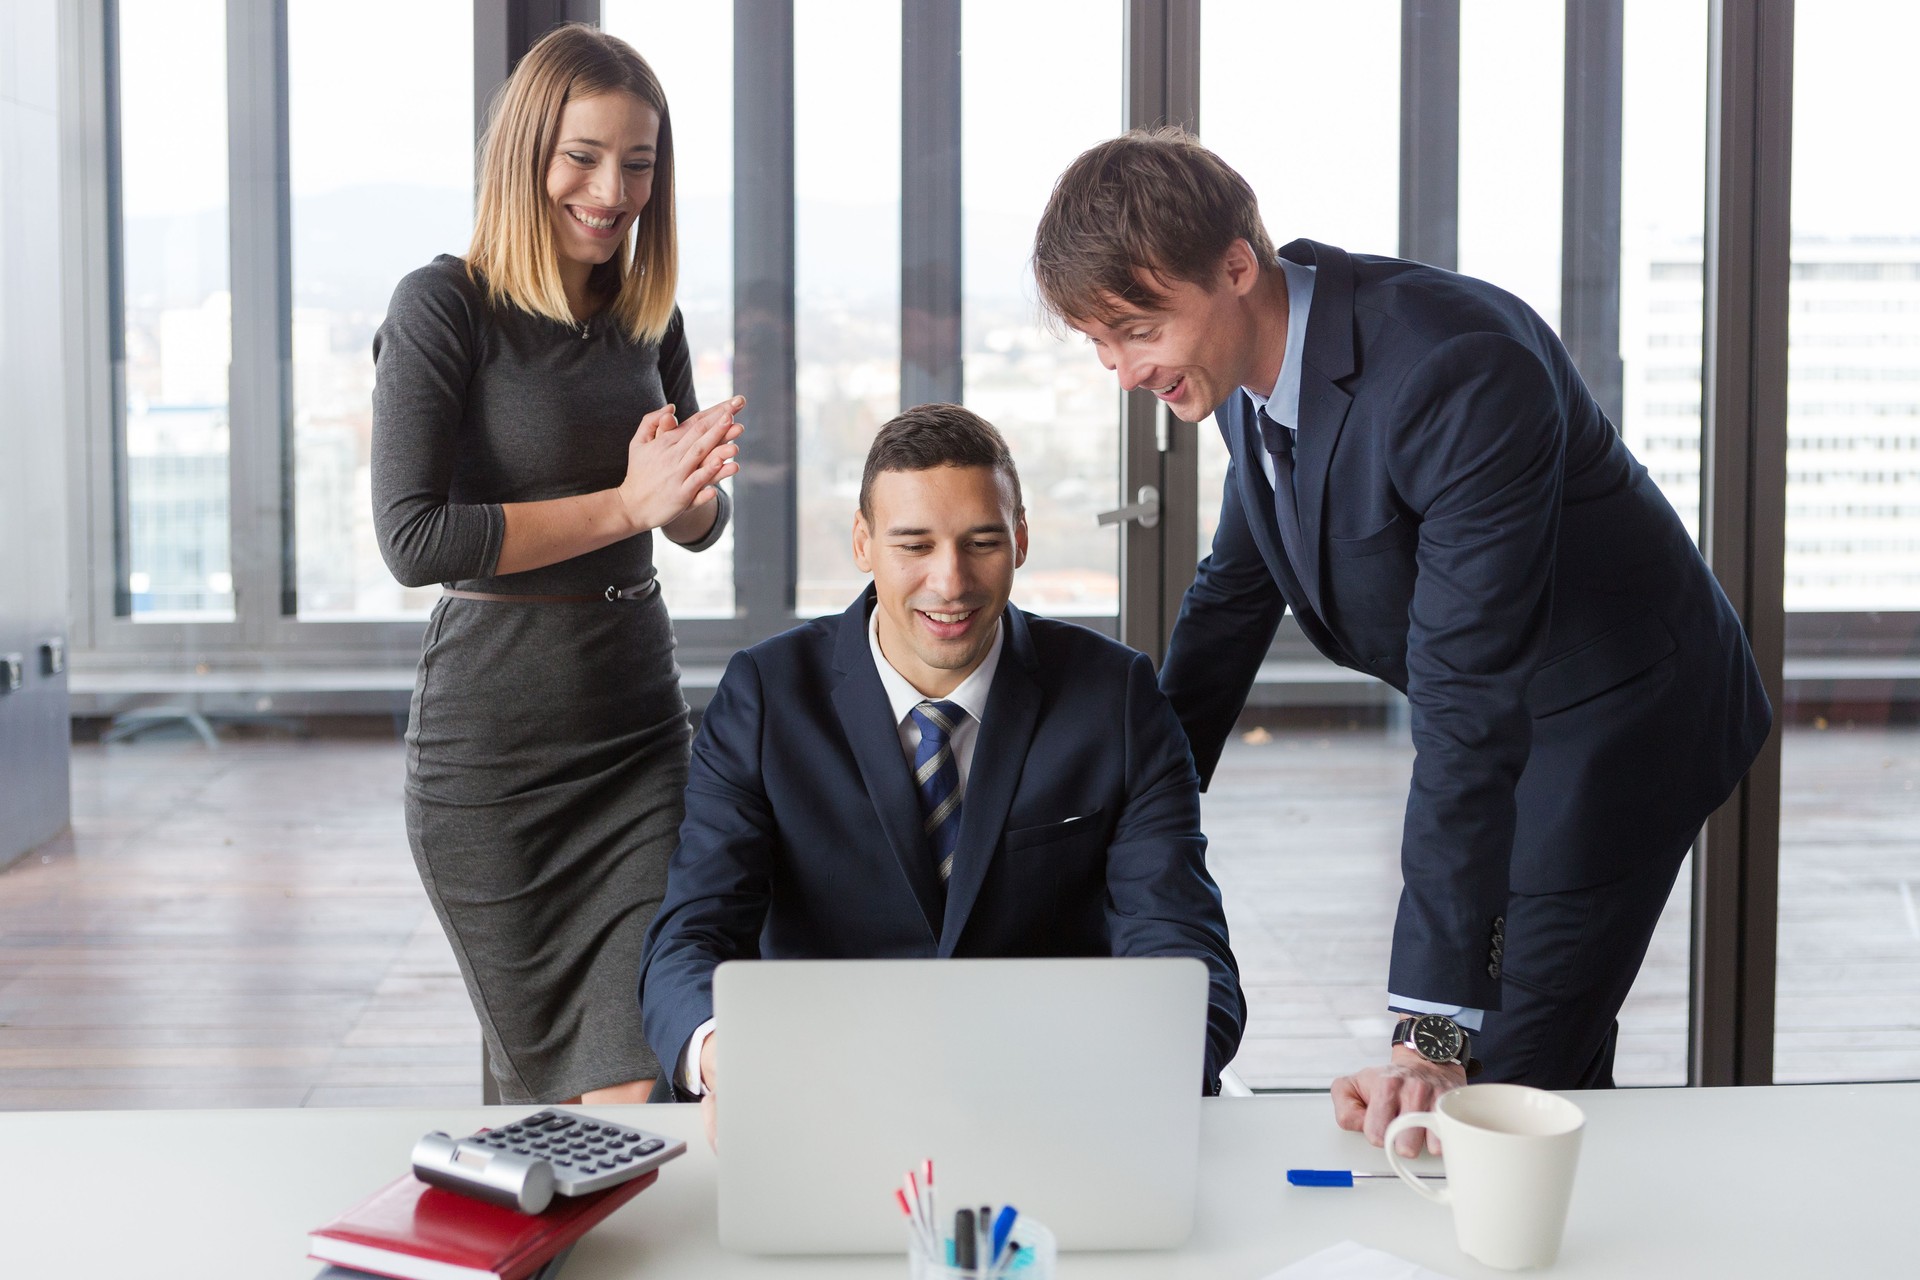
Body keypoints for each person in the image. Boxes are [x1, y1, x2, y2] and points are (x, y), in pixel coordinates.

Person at [1031, 129, 1770, 1153]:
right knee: (1539, 1065)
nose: (1122, 370)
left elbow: (1465, 705)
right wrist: (1120, 823)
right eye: (1099, 342)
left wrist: (1426, 1028)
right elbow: (1228, 606)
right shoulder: (1257, 372)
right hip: (1508, 711)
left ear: (1237, 267)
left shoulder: (1457, 372)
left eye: (1137, 329)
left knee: (1488, 1090)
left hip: (1618, 717)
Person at [639, 403, 1246, 1138]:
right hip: (822, 1105)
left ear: (1020, 539)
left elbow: (1184, 950)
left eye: (981, 541)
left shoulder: (1116, 698)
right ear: (862, 544)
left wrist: (1138, 1076)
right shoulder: (766, 696)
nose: (950, 581)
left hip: (1059, 1111)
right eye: (914, 545)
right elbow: (690, 935)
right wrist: (727, 1056)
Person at [371, 24, 742, 1105]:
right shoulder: (444, 305)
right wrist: (628, 500)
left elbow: (693, 525)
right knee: (546, 1089)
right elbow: (415, 538)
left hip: (635, 728)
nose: (612, 187)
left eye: (637, 161)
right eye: (583, 155)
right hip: (494, 754)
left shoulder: (645, 313)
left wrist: (687, 491)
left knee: (640, 1064)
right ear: (528, 152)